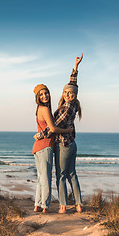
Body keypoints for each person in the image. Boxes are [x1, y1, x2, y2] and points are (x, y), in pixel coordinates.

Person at [36, 53, 84, 214]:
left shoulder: (67, 107)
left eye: (70, 94)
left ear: (74, 96)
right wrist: (76, 68)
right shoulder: (72, 104)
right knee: (72, 174)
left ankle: (63, 206)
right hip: (72, 144)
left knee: (61, 175)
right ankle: (78, 204)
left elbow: (54, 127)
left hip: (63, 144)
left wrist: (40, 135)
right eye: (65, 92)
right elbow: (72, 84)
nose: (67, 94)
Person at [32, 84, 72, 213]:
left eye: (46, 93)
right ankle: (45, 206)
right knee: (46, 178)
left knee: (40, 178)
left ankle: (37, 205)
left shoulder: (39, 109)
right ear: (38, 97)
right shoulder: (44, 109)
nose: (45, 96)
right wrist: (67, 130)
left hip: (38, 147)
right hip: (45, 146)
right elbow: (53, 129)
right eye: (41, 94)